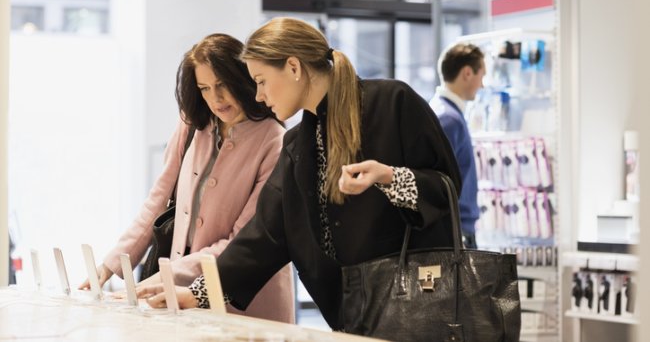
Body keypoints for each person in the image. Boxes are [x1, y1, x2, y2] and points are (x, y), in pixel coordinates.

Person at [138, 17, 461, 332]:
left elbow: (446, 188)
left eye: (261, 81)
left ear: (294, 67)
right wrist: (196, 294)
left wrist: (389, 177)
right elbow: (264, 237)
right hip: (352, 318)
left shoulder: (393, 102)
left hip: (420, 311)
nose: (259, 95)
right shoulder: (296, 146)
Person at [80, 33, 295, 323]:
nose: (215, 99)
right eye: (204, 88)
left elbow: (243, 241)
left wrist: (162, 278)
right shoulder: (193, 126)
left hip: (246, 301)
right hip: (182, 295)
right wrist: (111, 265)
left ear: (242, 78)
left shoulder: (274, 140)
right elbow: (158, 200)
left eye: (222, 85)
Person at [429, 43, 485, 249]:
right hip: (455, 232)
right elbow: (438, 182)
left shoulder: (445, 113)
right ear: (468, 73)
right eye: (482, 76)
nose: (483, 85)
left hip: (456, 230)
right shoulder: (448, 119)